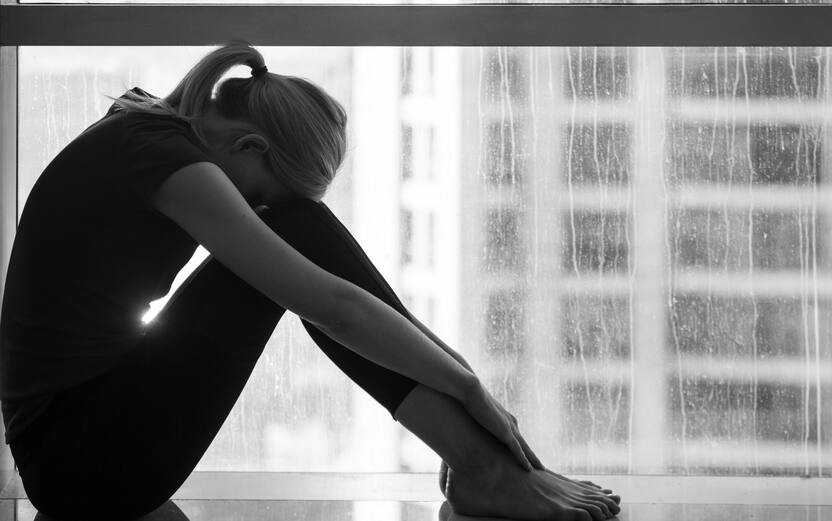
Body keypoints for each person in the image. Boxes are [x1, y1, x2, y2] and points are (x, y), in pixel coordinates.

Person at [0, 41, 621, 521]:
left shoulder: (144, 128)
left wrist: (464, 380)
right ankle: (481, 467)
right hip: (82, 469)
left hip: (78, 443)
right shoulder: (165, 158)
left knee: (303, 232)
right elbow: (334, 306)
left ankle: (479, 464)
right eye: (259, 197)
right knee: (303, 230)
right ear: (249, 144)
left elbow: (343, 301)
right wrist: (469, 387)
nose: (254, 211)